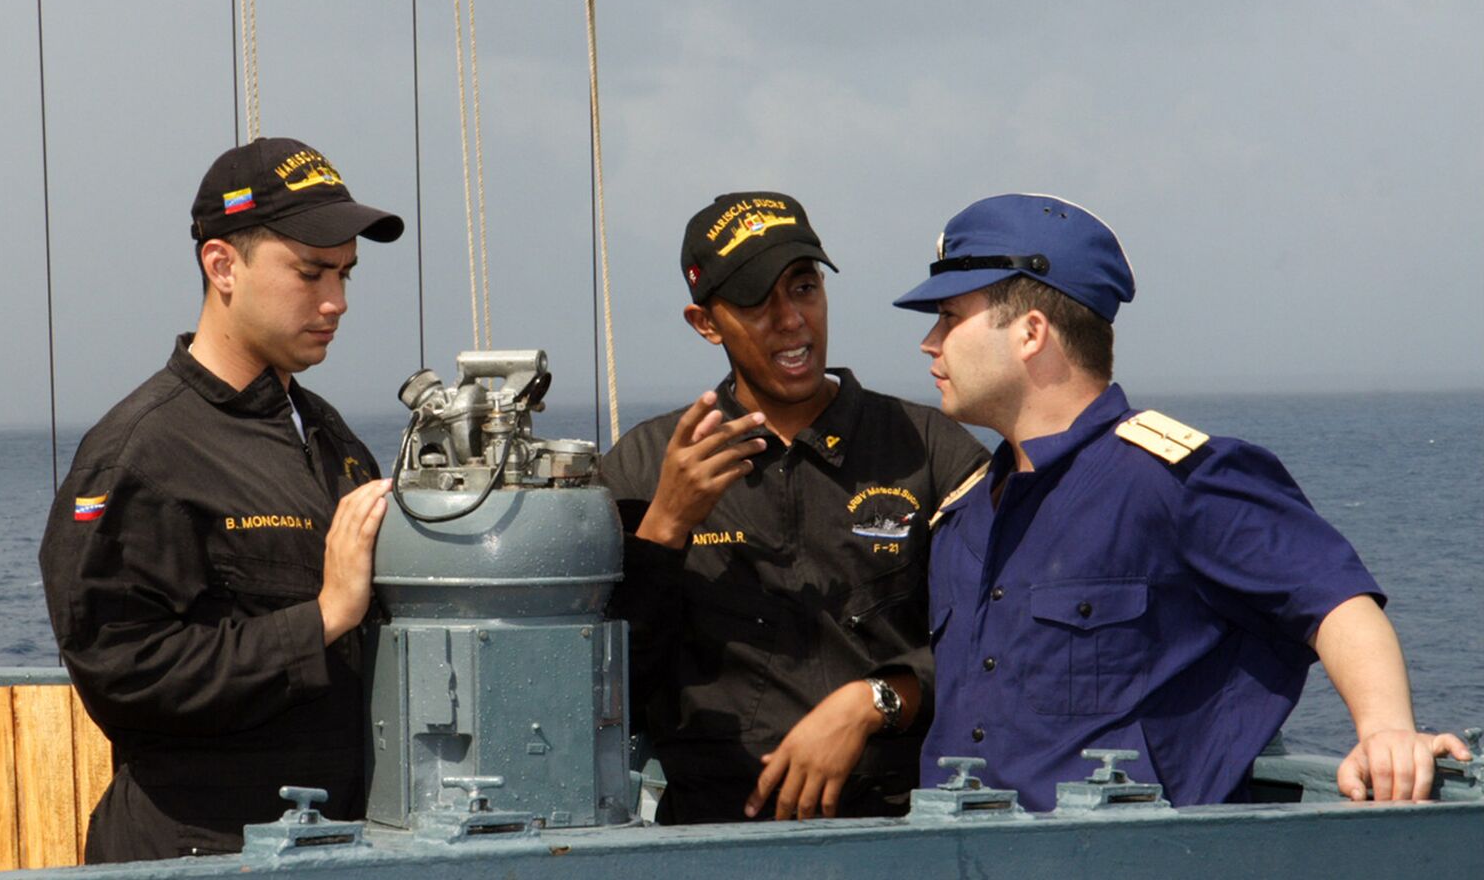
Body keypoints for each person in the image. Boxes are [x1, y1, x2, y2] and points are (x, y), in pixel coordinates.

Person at [893, 192, 1473, 810]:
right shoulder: (963, 516)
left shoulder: (1175, 481)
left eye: (951, 317)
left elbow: (1336, 602)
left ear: (1031, 332)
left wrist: (1384, 731)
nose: (931, 342)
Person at [38, 137, 403, 860]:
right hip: (200, 851)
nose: (336, 301)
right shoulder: (139, 453)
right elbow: (123, 676)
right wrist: (323, 618)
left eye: (345, 275)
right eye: (309, 273)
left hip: (326, 844)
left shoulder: (329, 436)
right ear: (222, 265)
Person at [598, 192, 990, 823]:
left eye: (804, 288)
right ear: (705, 323)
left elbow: (995, 639)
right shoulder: (645, 465)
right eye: (757, 300)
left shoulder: (931, 449)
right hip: (712, 834)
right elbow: (605, 688)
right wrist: (665, 526)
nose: (791, 319)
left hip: (901, 828)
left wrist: (877, 700)